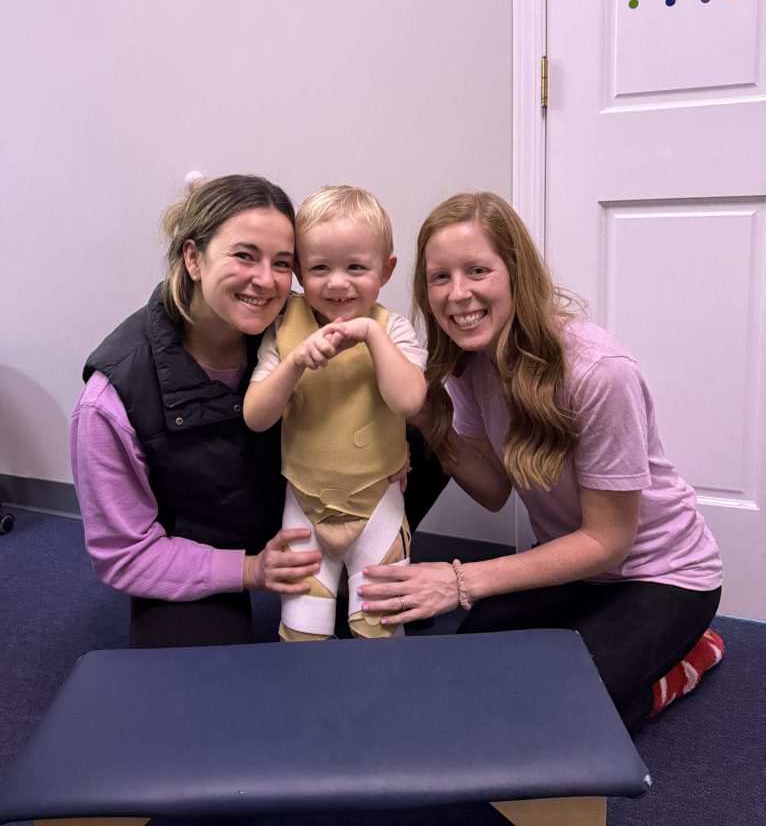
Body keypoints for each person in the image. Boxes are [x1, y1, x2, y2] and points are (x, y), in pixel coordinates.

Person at [357, 191, 724, 733]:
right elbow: (493, 491)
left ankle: (689, 658)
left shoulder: (599, 372)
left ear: (515, 273)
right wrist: (426, 419)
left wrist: (459, 581)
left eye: (477, 270)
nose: (458, 294)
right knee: (464, 670)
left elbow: (609, 541)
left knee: (568, 715)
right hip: (573, 568)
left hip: (661, 574)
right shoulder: (472, 363)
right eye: (440, 277)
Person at [71, 174, 446, 649]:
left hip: (319, 500)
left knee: (426, 424)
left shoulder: (300, 317)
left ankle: (354, 574)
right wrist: (249, 570)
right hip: (207, 543)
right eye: (244, 256)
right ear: (193, 258)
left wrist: (393, 447)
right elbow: (123, 555)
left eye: (282, 262)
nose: (265, 281)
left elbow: (402, 387)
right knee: (203, 675)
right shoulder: (111, 400)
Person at [244, 185, 427, 641]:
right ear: (299, 271)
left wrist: (371, 335)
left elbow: (409, 402)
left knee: (380, 630)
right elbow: (256, 417)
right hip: (304, 508)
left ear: (385, 270)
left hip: (378, 508)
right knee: (302, 631)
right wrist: (294, 363)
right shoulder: (285, 328)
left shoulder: (392, 329)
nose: (338, 283)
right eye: (320, 268)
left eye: (356, 267)